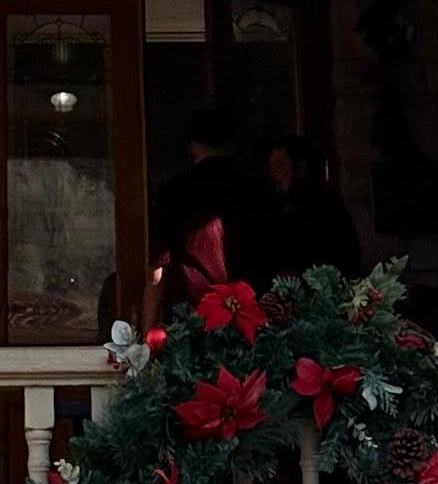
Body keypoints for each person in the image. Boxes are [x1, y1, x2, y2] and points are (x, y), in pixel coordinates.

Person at [144, 113, 251, 325]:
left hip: (192, 319)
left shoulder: (175, 192)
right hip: (246, 315)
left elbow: (157, 273)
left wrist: (146, 337)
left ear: (193, 146)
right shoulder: (253, 191)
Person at [238, 130, 364, 291]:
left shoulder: (325, 207)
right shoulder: (266, 208)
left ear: (300, 168)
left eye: (281, 166)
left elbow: (343, 258)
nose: (275, 174)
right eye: (272, 167)